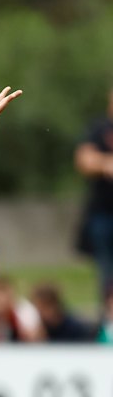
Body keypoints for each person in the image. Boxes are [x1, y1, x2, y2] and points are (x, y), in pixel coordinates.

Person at [74, 86, 113, 305]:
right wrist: (106, 163)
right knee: (106, 273)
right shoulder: (99, 129)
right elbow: (84, 160)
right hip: (104, 215)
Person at [30, 283, 96, 343]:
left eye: (42, 308)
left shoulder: (75, 329)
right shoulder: (38, 328)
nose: (39, 313)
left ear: (54, 306)